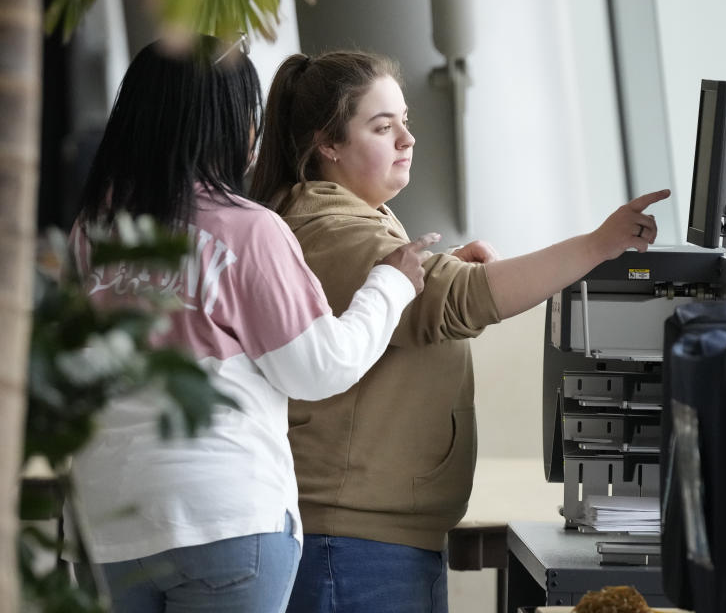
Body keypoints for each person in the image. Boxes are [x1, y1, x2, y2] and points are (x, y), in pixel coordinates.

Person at [249, 50, 670, 613]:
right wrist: (598, 245)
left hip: (369, 539)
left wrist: (440, 266)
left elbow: (394, 294)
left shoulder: (348, 219)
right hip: (353, 548)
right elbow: (459, 299)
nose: (407, 139)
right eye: (382, 126)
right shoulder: (330, 226)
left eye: (406, 122)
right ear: (328, 143)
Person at [65, 36, 437, 613]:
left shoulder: (93, 232)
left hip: (108, 524)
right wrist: (391, 286)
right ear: (226, 122)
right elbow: (319, 368)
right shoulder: (247, 230)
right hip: (225, 518)